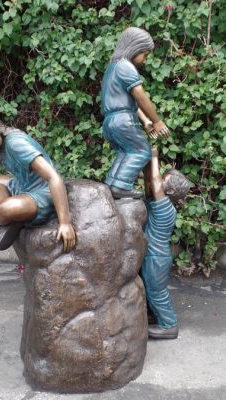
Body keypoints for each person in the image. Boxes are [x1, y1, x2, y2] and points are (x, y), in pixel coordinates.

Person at [0, 106, 76, 252]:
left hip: (44, 193)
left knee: (6, 208)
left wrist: (65, 223)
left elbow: (53, 177)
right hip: (26, 186)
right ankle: (15, 221)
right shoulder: (0, 147)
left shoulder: (15, 144)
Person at [101, 27, 170, 199]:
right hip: (123, 120)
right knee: (142, 151)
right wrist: (157, 121)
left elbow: (131, 100)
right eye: (145, 55)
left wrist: (146, 122)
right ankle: (121, 185)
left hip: (111, 121)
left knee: (126, 151)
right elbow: (141, 97)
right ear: (134, 48)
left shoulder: (112, 68)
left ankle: (112, 183)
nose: (145, 60)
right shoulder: (126, 66)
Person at [141, 147, 190, 339]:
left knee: (156, 292)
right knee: (150, 290)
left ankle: (169, 325)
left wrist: (154, 155)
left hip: (156, 258)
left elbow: (154, 181)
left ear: (169, 190)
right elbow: (150, 183)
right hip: (153, 256)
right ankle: (155, 316)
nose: (159, 181)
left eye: (164, 180)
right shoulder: (159, 204)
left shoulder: (165, 209)